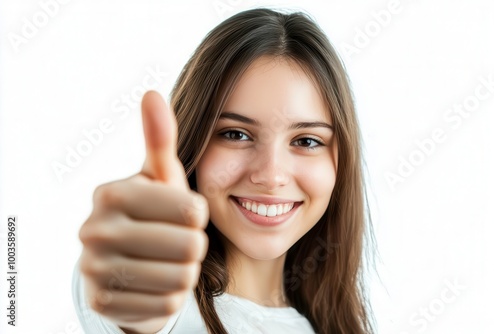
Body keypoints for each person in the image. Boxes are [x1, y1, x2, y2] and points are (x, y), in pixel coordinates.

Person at [72, 7, 375, 334]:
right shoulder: (174, 312)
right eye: (235, 134)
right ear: (193, 146)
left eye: (306, 140)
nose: (271, 176)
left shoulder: (324, 325)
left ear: (340, 161)